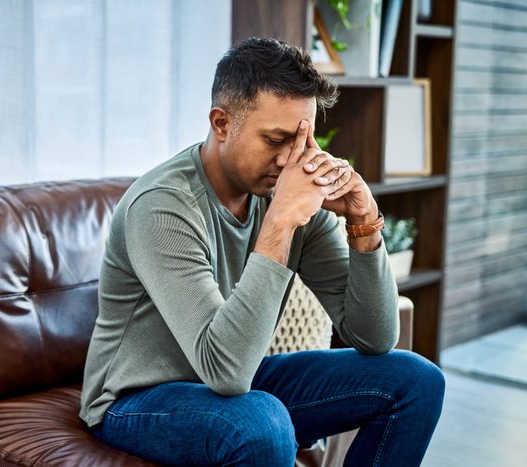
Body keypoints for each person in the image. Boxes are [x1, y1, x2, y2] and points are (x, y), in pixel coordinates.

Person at [80, 37, 444, 466]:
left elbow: (376, 336)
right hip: (136, 399)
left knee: (416, 380)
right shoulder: (162, 205)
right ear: (221, 123)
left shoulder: (287, 191)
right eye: (275, 139)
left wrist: (363, 223)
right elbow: (226, 372)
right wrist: (280, 223)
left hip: (234, 377)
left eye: (302, 140)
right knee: (259, 420)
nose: (292, 160)